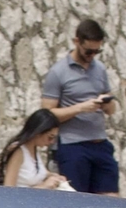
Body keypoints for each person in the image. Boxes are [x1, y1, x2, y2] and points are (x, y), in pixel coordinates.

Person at [40, 18, 119, 194]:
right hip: (72, 145)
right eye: (88, 51)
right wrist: (81, 108)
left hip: (100, 143)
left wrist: (106, 103)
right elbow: (46, 114)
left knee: (113, 201)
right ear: (77, 42)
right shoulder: (58, 72)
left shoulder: (100, 69)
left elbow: (112, 111)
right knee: (78, 200)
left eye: (97, 51)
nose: (92, 55)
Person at [0, 109, 69, 189]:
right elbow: (8, 187)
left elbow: (39, 172)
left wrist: (53, 176)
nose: (52, 142)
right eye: (50, 137)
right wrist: (43, 186)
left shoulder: (34, 149)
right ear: (38, 132)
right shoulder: (18, 151)